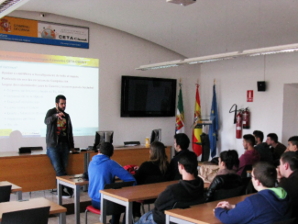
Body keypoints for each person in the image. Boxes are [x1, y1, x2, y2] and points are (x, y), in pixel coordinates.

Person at [135, 151, 205, 224]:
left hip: (164, 220)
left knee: (143, 219)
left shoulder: (173, 189)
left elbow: (158, 204)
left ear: (181, 166)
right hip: (184, 218)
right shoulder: (200, 183)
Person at [215, 161, 292, 224]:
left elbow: (228, 219)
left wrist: (218, 209)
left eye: (252, 176)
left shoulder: (254, 201)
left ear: (257, 182)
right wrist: (233, 207)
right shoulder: (285, 196)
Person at [88, 142, 136, 224]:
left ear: (99, 151)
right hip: (105, 203)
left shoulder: (91, 162)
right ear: (112, 153)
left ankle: (115, 222)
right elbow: (130, 179)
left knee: (116, 197)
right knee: (129, 202)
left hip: (94, 201)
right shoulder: (110, 163)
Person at [44, 94, 74, 197]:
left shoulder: (67, 115)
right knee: (59, 168)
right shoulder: (51, 112)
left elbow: (70, 131)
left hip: (64, 145)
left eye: (65, 103)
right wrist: (55, 116)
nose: (64, 105)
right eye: (62, 104)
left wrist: (71, 146)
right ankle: (69, 187)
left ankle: (61, 190)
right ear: (56, 104)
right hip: (53, 145)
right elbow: (46, 121)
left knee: (63, 167)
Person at [133, 141, 169, 218]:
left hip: (144, 197)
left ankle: (136, 213)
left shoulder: (146, 165)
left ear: (152, 152)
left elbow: (136, 179)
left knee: (133, 190)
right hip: (161, 196)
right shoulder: (167, 166)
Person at [278, 151, 298, 219]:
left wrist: (280, 180)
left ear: (286, 166)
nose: (279, 167)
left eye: (280, 164)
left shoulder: (286, 183)